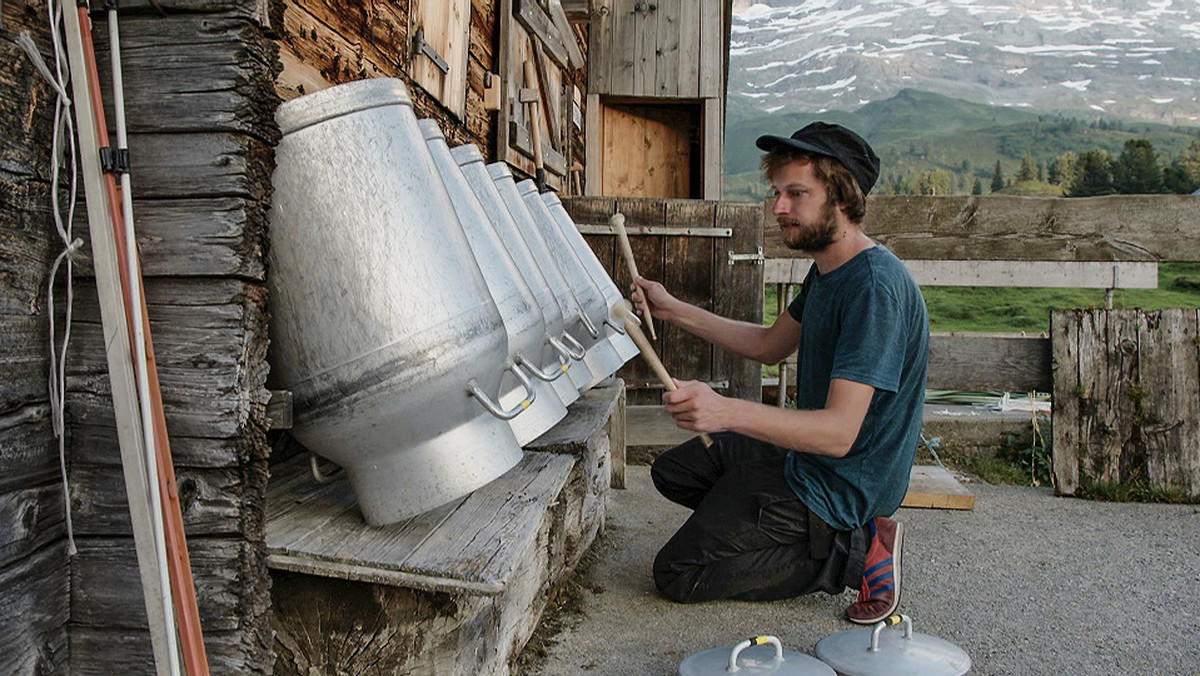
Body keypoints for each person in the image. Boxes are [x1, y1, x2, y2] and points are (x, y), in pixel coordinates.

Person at [631, 122, 929, 624]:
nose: (778, 208)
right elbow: (770, 346)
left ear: (842, 198)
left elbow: (837, 434)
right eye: (777, 193)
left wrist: (724, 412)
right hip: (807, 458)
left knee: (678, 572)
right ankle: (766, 516)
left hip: (845, 483)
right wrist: (673, 309)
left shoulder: (874, 289)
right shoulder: (829, 270)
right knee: (674, 472)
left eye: (797, 194)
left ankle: (854, 550)